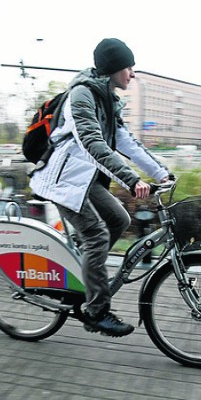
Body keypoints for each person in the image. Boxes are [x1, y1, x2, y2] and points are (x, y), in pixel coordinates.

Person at [29, 38, 171, 337]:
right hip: (62, 181)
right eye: (128, 67)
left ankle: (82, 275)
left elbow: (126, 143)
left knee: (120, 219)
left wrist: (161, 173)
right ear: (113, 68)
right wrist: (131, 180)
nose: (132, 74)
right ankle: (96, 312)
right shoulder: (81, 95)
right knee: (96, 234)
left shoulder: (107, 99)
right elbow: (91, 143)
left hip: (84, 180)